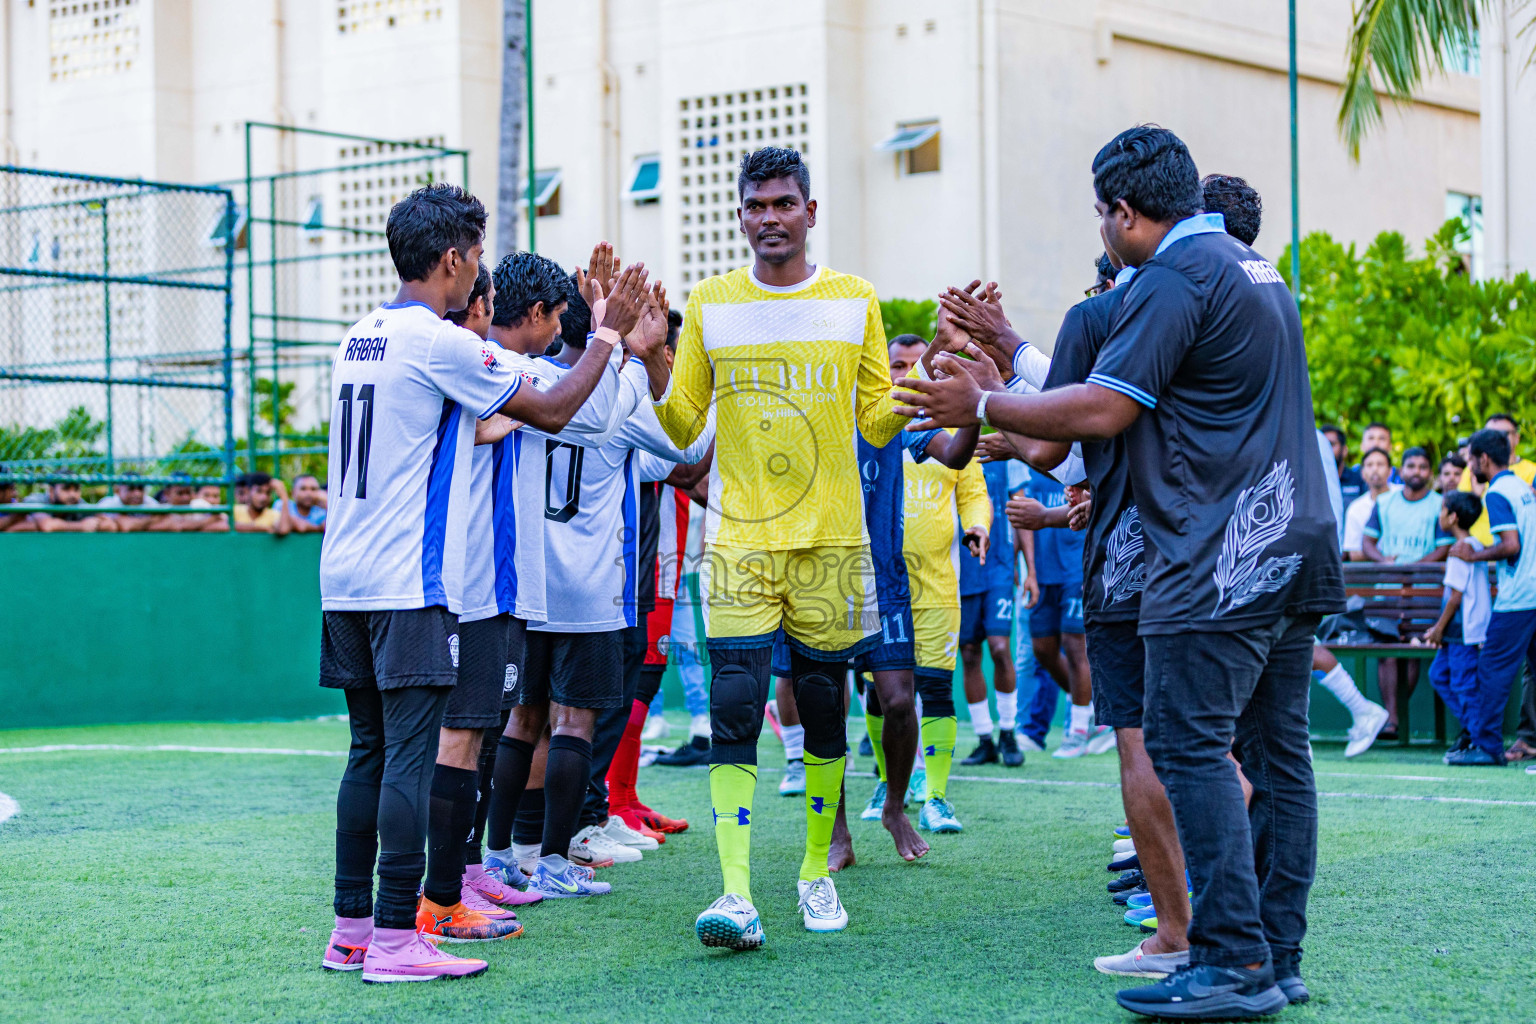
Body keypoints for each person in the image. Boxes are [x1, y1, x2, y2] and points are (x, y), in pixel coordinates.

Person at [896, 126, 1343, 1017]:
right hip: (1296, 547)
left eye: (1104, 217)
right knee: (1279, 757)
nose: (1105, 233)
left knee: (1186, 748)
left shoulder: (1175, 279)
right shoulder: (1256, 271)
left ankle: (1229, 961)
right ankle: (1275, 958)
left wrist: (980, 397)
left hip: (1217, 558)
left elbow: (1098, 410)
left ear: (1125, 215)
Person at [316, 183, 634, 984]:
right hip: (407, 583)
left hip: (344, 581)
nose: (479, 272)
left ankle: (352, 928)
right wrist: (609, 336)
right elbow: (557, 406)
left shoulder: (361, 335)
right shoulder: (436, 341)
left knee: (367, 753)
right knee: (408, 762)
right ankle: (395, 940)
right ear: (452, 259)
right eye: (478, 255)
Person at [652, 146, 910, 946]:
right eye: (756, 205)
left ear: (809, 211)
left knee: (827, 706)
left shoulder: (855, 300)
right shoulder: (710, 303)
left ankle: (811, 876)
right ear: (740, 213)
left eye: (783, 203)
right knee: (733, 707)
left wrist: (921, 391)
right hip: (738, 545)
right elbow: (680, 425)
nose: (770, 218)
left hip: (833, 540)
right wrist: (645, 351)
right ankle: (734, 893)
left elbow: (874, 421)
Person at [486, 257, 707, 900]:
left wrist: (627, 345)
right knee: (572, 724)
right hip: (587, 585)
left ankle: (507, 851)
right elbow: (690, 451)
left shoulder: (519, 376)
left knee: (522, 722)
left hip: (524, 581)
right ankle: (552, 854)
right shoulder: (618, 393)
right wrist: (648, 354)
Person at [1449, 429, 1536, 766]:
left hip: (1518, 597)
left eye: (1471, 459)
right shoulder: (1522, 488)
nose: (1470, 467)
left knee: (1492, 668)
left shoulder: (1498, 493)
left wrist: (1474, 555)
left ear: (1483, 459)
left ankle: (1486, 747)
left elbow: (1511, 545)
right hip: (1533, 590)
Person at [1361, 445, 1449, 738]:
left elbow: (1444, 547)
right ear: (1402, 469)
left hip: (1423, 594)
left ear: (1430, 472)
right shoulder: (1385, 502)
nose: (1417, 472)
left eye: (1423, 467)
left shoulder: (1440, 503)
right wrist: (1384, 561)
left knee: (1412, 650)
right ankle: (1392, 720)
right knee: (1387, 652)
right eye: (1411, 466)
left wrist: (1415, 568)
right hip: (1387, 590)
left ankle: (1397, 718)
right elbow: (1368, 543)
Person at [957, 457, 1027, 767]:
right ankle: (985, 739)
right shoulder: (947, 445)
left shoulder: (1003, 448)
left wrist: (1030, 572)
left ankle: (1008, 732)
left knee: (1000, 648)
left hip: (998, 568)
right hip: (961, 571)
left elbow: (1021, 514)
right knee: (969, 653)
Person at [1420, 491, 1489, 759]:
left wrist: (1438, 628)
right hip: (1457, 630)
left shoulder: (1461, 550)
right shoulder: (1473, 545)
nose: (1440, 516)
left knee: (1463, 683)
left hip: (1462, 629)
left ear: (1453, 517)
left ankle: (1477, 736)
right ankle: (1472, 728)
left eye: (1443, 510)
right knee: (1439, 674)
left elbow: (1455, 597)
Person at [1459, 414, 1536, 545]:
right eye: (1489, 433)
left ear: (1517, 438)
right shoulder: (1472, 469)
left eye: (1502, 433)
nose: (1495, 438)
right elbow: (1458, 516)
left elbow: (1511, 544)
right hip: (1483, 550)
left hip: (1508, 552)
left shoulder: (1532, 471)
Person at [1342, 448, 1396, 559]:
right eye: (1369, 465)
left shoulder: (1402, 495)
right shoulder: (1355, 508)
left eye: (1380, 464)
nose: (1375, 469)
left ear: (1390, 471)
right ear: (1363, 473)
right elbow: (1354, 554)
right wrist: (1383, 559)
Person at [22, 480, 117, 532]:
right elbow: (48, 525)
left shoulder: (79, 503)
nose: (72, 494)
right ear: (51, 491)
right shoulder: (36, 500)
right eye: (66, 489)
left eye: (76, 490)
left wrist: (95, 524)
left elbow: (110, 525)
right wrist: (81, 526)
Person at [95, 474, 163, 532]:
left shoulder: (149, 502)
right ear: (117, 490)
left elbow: (166, 520)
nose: (137, 494)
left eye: (140, 489)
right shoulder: (108, 505)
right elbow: (127, 526)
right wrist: (151, 520)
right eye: (131, 489)